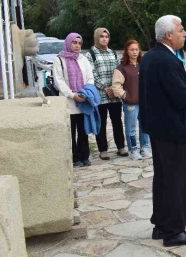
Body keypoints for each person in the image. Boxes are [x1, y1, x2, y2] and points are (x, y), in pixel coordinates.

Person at [139, 15, 186, 247]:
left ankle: (161, 224)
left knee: (164, 179)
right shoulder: (167, 61)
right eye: (181, 29)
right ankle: (175, 231)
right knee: (178, 182)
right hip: (175, 131)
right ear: (169, 35)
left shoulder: (150, 57)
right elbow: (182, 98)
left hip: (160, 130)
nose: (184, 34)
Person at [53, 33, 95, 167]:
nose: (77, 46)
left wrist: (86, 93)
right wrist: (72, 95)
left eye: (79, 43)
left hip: (83, 100)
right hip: (68, 101)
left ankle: (84, 156)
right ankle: (74, 157)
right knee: (70, 132)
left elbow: (90, 77)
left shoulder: (83, 59)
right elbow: (59, 81)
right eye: (74, 42)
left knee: (83, 131)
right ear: (68, 43)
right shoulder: (59, 59)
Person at [87, 28, 127, 160]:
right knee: (101, 122)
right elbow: (92, 73)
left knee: (117, 121)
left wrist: (114, 88)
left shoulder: (113, 53)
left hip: (114, 94)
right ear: (96, 38)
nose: (104, 39)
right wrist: (105, 88)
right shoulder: (91, 54)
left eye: (106, 36)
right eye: (101, 36)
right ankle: (103, 149)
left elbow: (118, 70)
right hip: (100, 94)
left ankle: (121, 146)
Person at [112, 40, 151, 161]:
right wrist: (125, 96)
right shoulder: (122, 68)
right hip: (131, 104)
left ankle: (144, 147)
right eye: (131, 50)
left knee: (145, 126)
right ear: (127, 51)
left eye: (136, 49)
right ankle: (133, 149)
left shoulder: (143, 64)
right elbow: (116, 86)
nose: (134, 52)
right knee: (131, 128)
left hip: (144, 102)